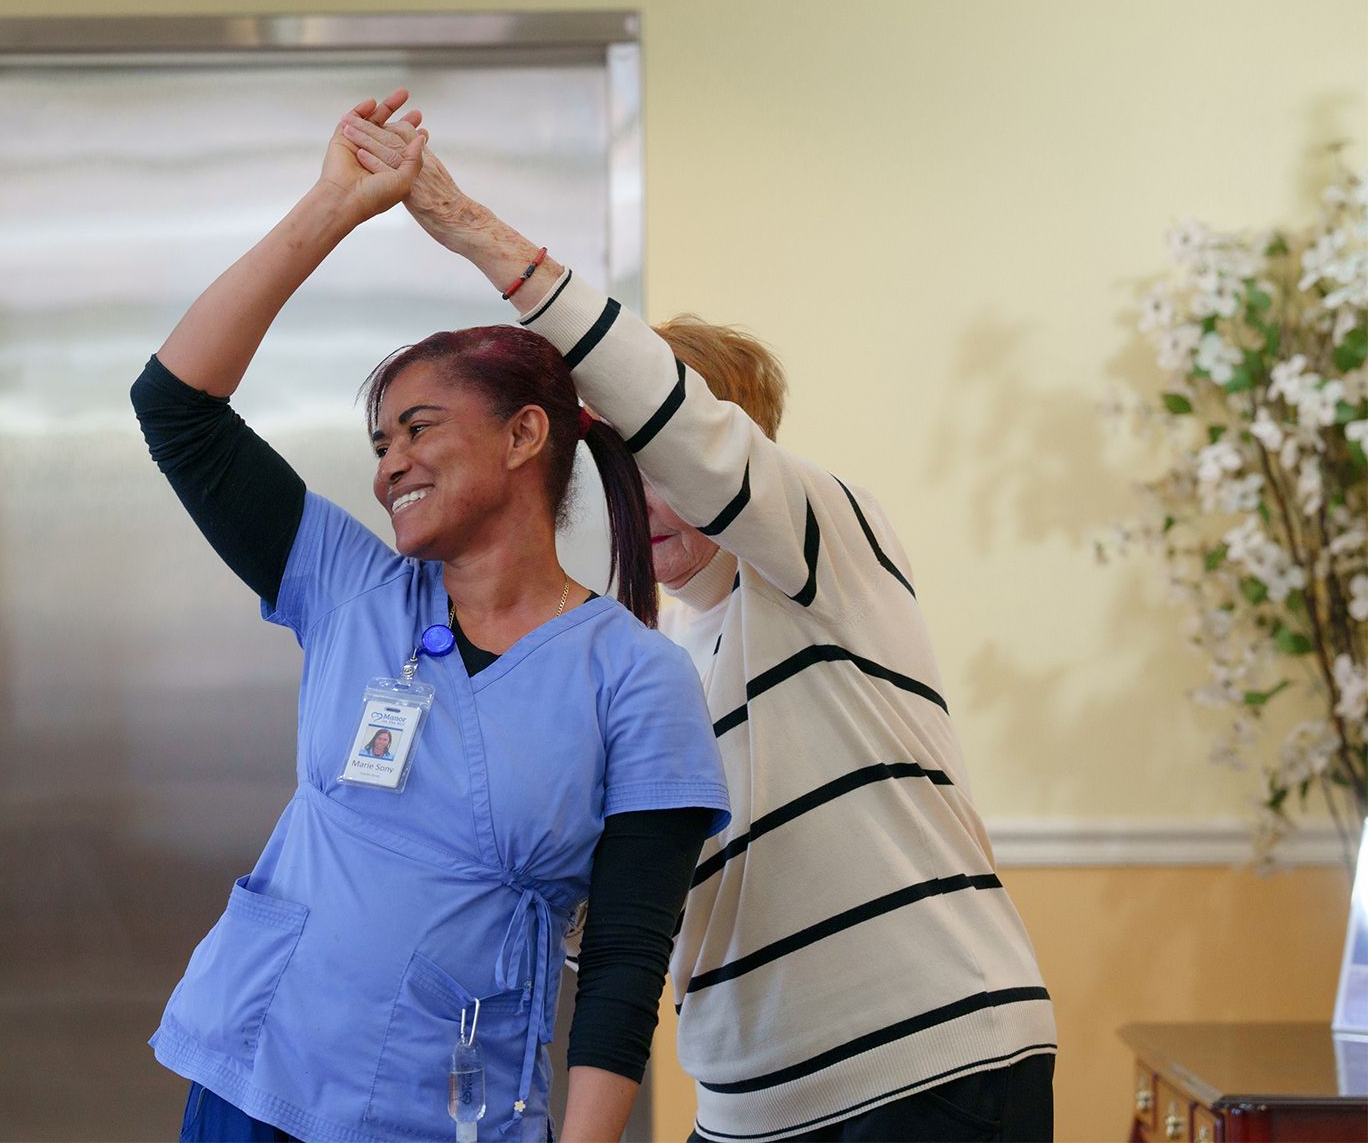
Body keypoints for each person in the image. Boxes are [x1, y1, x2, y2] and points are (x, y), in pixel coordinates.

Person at [342, 103, 1057, 1142]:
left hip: (927, 1059)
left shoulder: (830, 550)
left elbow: (688, 431)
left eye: (663, 460)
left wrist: (465, 225)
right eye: (622, 470)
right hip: (750, 1099)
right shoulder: (650, 667)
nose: (650, 496)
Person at [132, 89, 733, 1143]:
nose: (389, 463)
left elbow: (629, 961)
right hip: (254, 1071)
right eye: (377, 442)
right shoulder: (351, 587)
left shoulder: (638, 677)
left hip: (451, 1106)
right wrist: (331, 207)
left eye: (417, 428)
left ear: (522, 437)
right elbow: (175, 406)